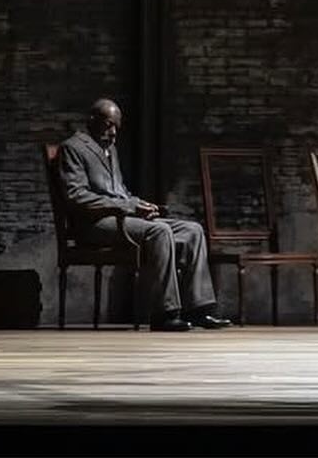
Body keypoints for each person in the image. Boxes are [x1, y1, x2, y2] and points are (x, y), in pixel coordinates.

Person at [58, 98, 233, 332]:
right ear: (92, 120)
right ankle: (165, 313)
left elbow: (119, 191)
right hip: (94, 224)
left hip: (121, 218)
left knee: (193, 230)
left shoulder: (110, 150)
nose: (113, 133)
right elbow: (76, 196)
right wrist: (128, 207)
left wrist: (139, 204)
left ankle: (199, 309)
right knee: (160, 231)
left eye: (116, 127)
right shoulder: (73, 148)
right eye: (109, 125)